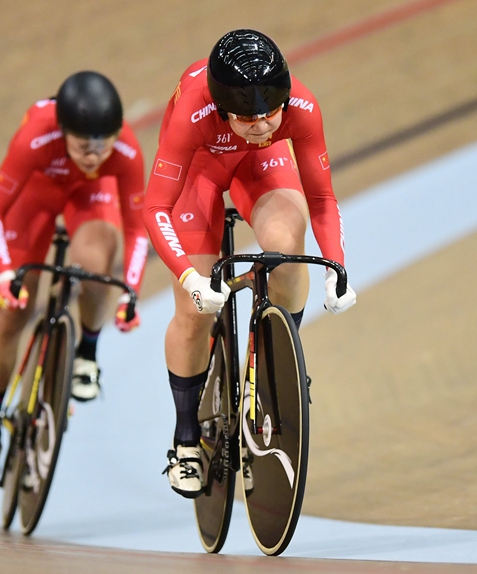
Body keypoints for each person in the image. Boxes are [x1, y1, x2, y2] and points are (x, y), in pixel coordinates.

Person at [143, 29, 357, 498]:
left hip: (259, 167)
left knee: (284, 248)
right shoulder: (193, 114)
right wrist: (189, 277)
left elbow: (321, 197)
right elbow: (154, 207)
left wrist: (335, 268)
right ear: (222, 108)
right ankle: (184, 438)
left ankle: (279, 357)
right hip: (200, 167)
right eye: (246, 117)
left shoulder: (300, 106)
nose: (261, 125)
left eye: (269, 113)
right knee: (195, 311)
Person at [0, 71, 148, 485]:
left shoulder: (123, 150)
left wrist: (131, 292)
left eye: (103, 145)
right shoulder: (35, 138)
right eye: (84, 146)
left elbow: (137, 229)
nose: (94, 155)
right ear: (64, 131)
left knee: (96, 268)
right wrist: (4, 275)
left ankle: (86, 352)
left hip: (90, 196)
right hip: (39, 191)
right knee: (14, 311)